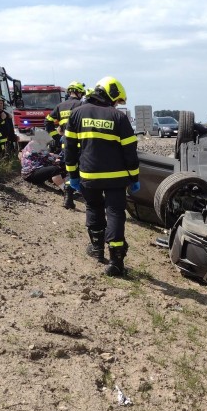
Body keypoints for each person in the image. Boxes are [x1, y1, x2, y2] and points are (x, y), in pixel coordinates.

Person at [64, 76, 139, 277]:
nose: (116, 105)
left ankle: (97, 250)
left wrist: (73, 176)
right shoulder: (119, 117)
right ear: (110, 95)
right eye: (116, 101)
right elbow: (130, 151)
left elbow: (69, 149)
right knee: (115, 213)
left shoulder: (77, 114)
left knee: (94, 208)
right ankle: (116, 262)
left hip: (89, 175)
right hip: (117, 177)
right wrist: (134, 177)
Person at [44, 81, 85, 153]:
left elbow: (47, 121)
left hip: (65, 145)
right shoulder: (82, 105)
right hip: (81, 145)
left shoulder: (60, 106)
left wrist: (57, 137)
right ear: (78, 92)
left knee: (68, 164)